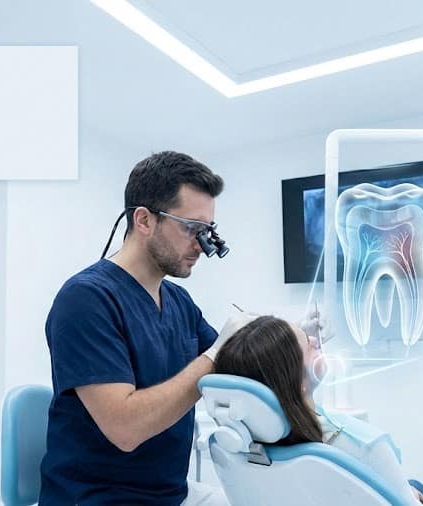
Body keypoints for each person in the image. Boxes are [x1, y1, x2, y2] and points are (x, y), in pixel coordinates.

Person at [39, 151, 308, 505]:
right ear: (144, 220)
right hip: (98, 498)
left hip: (170, 494)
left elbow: (238, 363)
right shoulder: (86, 300)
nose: (202, 244)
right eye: (192, 229)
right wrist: (212, 357)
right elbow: (125, 428)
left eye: (208, 230)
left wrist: (295, 338)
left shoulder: (179, 302)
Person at [212, 315, 423, 506]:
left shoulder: (251, 447)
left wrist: (403, 493)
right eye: (309, 345)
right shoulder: (361, 444)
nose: (315, 339)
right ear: (297, 382)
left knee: (414, 486)